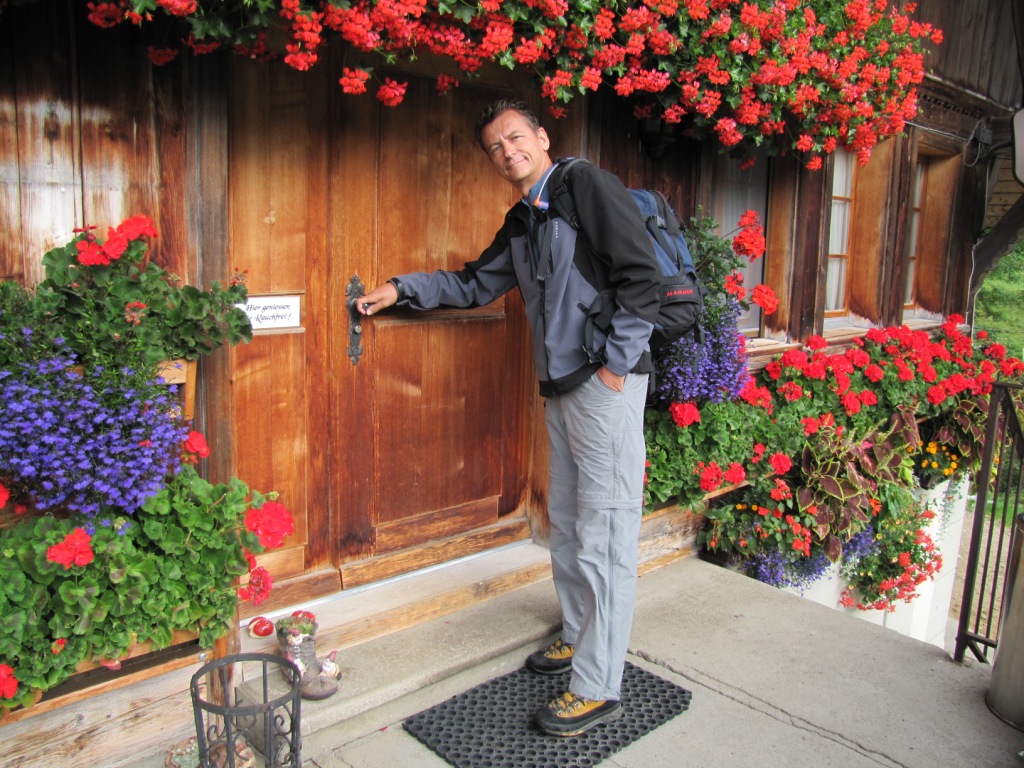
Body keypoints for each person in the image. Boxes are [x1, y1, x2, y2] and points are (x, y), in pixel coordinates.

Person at [355, 98, 660, 736]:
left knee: (605, 536)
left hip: (603, 387)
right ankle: (578, 634)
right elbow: (476, 283)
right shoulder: (524, 218)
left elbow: (642, 279)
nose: (507, 151)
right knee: (569, 524)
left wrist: (615, 366)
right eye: (495, 146)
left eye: (516, 137)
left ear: (542, 137)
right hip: (562, 390)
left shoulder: (585, 186)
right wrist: (402, 288)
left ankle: (598, 685)